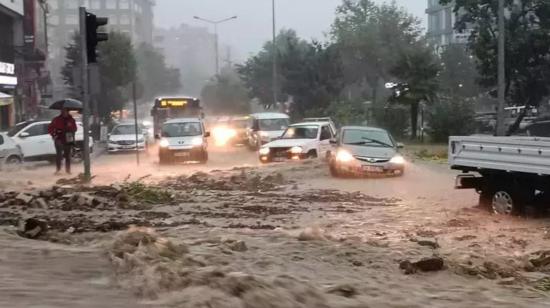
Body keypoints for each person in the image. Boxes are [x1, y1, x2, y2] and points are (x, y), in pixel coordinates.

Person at [48, 108, 77, 174]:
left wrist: (70, 129)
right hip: (59, 138)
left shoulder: (72, 120)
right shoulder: (56, 119)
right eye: (62, 111)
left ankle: (68, 170)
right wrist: (53, 135)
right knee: (59, 155)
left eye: (65, 111)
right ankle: (58, 170)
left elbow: (74, 129)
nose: (63, 112)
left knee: (68, 155)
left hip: (68, 137)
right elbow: (50, 128)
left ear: (67, 112)